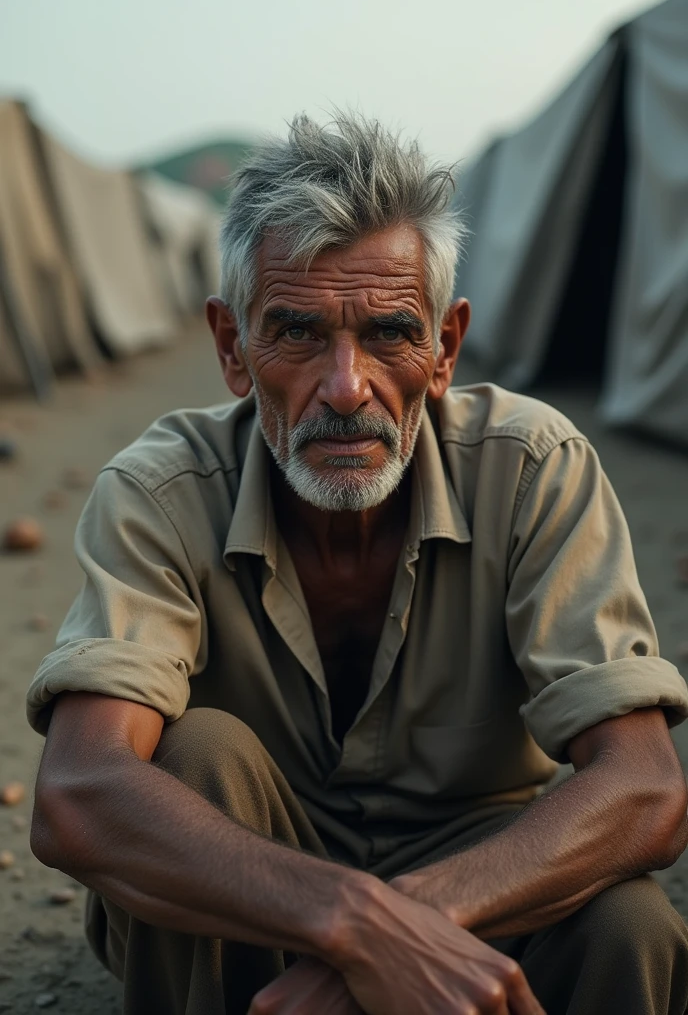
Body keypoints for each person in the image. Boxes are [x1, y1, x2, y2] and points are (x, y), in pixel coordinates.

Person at [27, 112, 688, 1015]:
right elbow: (79, 792)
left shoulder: (532, 467)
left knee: (632, 927)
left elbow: (644, 786)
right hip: (249, 884)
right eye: (296, 334)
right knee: (197, 755)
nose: (347, 388)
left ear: (445, 349)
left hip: (476, 872)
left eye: (388, 334)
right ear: (232, 349)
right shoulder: (163, 489)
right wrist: (352, 924)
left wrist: (398, 929)